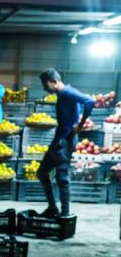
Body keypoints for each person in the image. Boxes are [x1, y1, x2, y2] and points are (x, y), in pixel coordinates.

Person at [37, 69, 94, 218]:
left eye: (46, 85)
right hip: (59, 138)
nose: (45, 89)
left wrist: (80, 124)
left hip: (66, 140)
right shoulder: (62, 94)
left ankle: (65, 214)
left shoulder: (68, 92)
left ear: (54, 81)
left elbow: (90, 101)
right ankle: (52, 208)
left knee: (61, 177)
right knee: (41, 172)